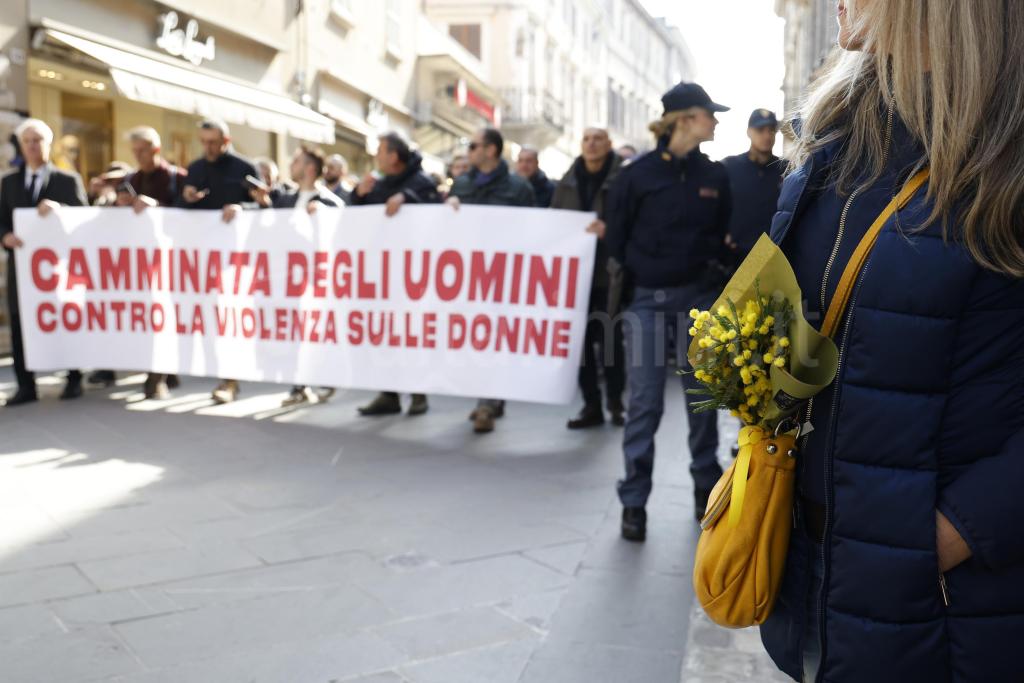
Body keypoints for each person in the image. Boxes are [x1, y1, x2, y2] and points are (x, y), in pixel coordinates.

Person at [759, 3, 1024, 682]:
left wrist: (952, 533)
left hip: (945, 600)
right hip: (809, 568)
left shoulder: (1006, 155)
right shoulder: (838, 138)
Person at [605, 82, 731, 540]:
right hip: (648, 302)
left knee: (703, 399)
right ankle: (633, 502)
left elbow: (720, 234)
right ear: (685, 120)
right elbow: (616, 239)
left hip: (699, 301)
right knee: (645, 403)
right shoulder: (635, 175)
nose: (715, 121)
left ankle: (705, 491)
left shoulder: (714, 176)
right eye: (709, 114)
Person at [447, 127, 534, 433]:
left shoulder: (519, 188)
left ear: (491, 150)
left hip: (502, 275)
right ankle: (488, 397)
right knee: (475, 336)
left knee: (494, 336)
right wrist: (449, 209)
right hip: (468, 274)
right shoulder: (461, 184)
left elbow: (534, 230)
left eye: (474, 146)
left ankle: (487, 401)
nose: (469, 151)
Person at [351, 132, 441, 417]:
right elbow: (357, 219)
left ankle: (418, 392)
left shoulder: (421, 182)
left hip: (413, 275)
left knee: (412, 333)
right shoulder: (378, 183)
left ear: (394, 156)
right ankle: (388, 393)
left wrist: (407, 198)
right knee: (385, 335)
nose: (376, 156)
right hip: (382, 273)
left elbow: (435, 211)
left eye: (380, 151)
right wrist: (358, 195)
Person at [0, 118, 88, 406]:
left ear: (48, 144)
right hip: (22, 269)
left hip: (59, 270)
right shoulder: (9, 182)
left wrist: (60, 210)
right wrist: (5, 237)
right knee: (19, 324)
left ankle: (73, 377)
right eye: (27, 141)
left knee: (65, 319)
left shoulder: (67, 180)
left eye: (37, 140)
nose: (32, 146)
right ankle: (26, 385)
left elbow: (84, 220)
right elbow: (1, 221)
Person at [251, 146, 345, 409]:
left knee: (316, 331)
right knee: (295, 333)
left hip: (316, 280)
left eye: (297, 161)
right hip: (289, 279)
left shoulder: (329, 202)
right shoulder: (284, 200)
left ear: (310, 168)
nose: (291, 165)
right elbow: (271, 232)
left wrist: (322, 216)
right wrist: (263, 206)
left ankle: (322, 375)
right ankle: (299, 384)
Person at [178, 118, 258, 404]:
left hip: (235, 260)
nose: (208, 148)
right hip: (201, 259)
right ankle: (217, 371)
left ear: (226, 141)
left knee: (229, 318)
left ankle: (230, 379)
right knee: (208, 319)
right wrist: (187, 198)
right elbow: (180, 210)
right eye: (204, 142)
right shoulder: (196, 169)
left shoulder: (245, 168)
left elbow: (265, 207)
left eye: (213, 142)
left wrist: (243, 208)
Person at [551, 127, 627, 429]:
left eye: (598, 139)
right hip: (576, 275)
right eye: (586, 139)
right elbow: (555, 220)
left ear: (609, 144)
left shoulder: (622, 179)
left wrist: (610, 231)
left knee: (610, 341)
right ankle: (591, 405)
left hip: (609, 274)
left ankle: (616, 402)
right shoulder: (568, 181)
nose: (591, 144)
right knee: (579, 343)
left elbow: (633, 220)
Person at [124, 125, 186, 399]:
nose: (138, 155)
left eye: (143, 150)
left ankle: (157, 376)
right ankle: (164, 371)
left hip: (170, 262)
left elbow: (188, 215)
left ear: (156, 149)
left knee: (164, 317)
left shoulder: (175, 178)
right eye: (135, 150)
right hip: (140, 263)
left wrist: (158, 208)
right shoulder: (132, 179)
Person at [721, 109, 784, 261]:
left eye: (771, 130)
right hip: (735, 256)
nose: (767, 136)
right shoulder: (730, 167)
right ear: (749, 132)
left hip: (773, 256)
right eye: (760, 130)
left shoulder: (786, 169)